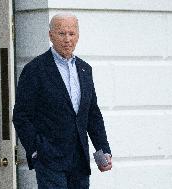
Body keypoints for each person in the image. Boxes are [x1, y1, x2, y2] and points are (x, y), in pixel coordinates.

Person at [13, 13, 112, 189]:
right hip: (49, 160)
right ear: (50, 35)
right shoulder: (35, 69)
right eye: (61, 33)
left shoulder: (84, 69)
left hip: (79, 161)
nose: (67, 39)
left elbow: (92, 115)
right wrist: (36, 150)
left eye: (71, 34)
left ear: (78, 36)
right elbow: (21, 116)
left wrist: (102, 153)